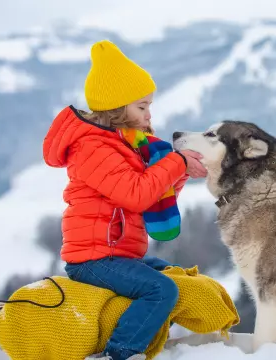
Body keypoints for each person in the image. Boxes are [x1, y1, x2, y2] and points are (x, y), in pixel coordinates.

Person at [42, 39, 207, 360]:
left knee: (169, 272)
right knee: (161, 289)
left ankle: (164, 341)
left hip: (118, 254)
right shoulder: (92, 148)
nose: (148, 115)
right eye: (142, 107)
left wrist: (180, 172)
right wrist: (176, 162)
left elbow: (152, 195)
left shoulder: (124, 145)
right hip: (92, 260)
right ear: (117, 109)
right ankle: (120, 353)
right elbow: (135, 195)